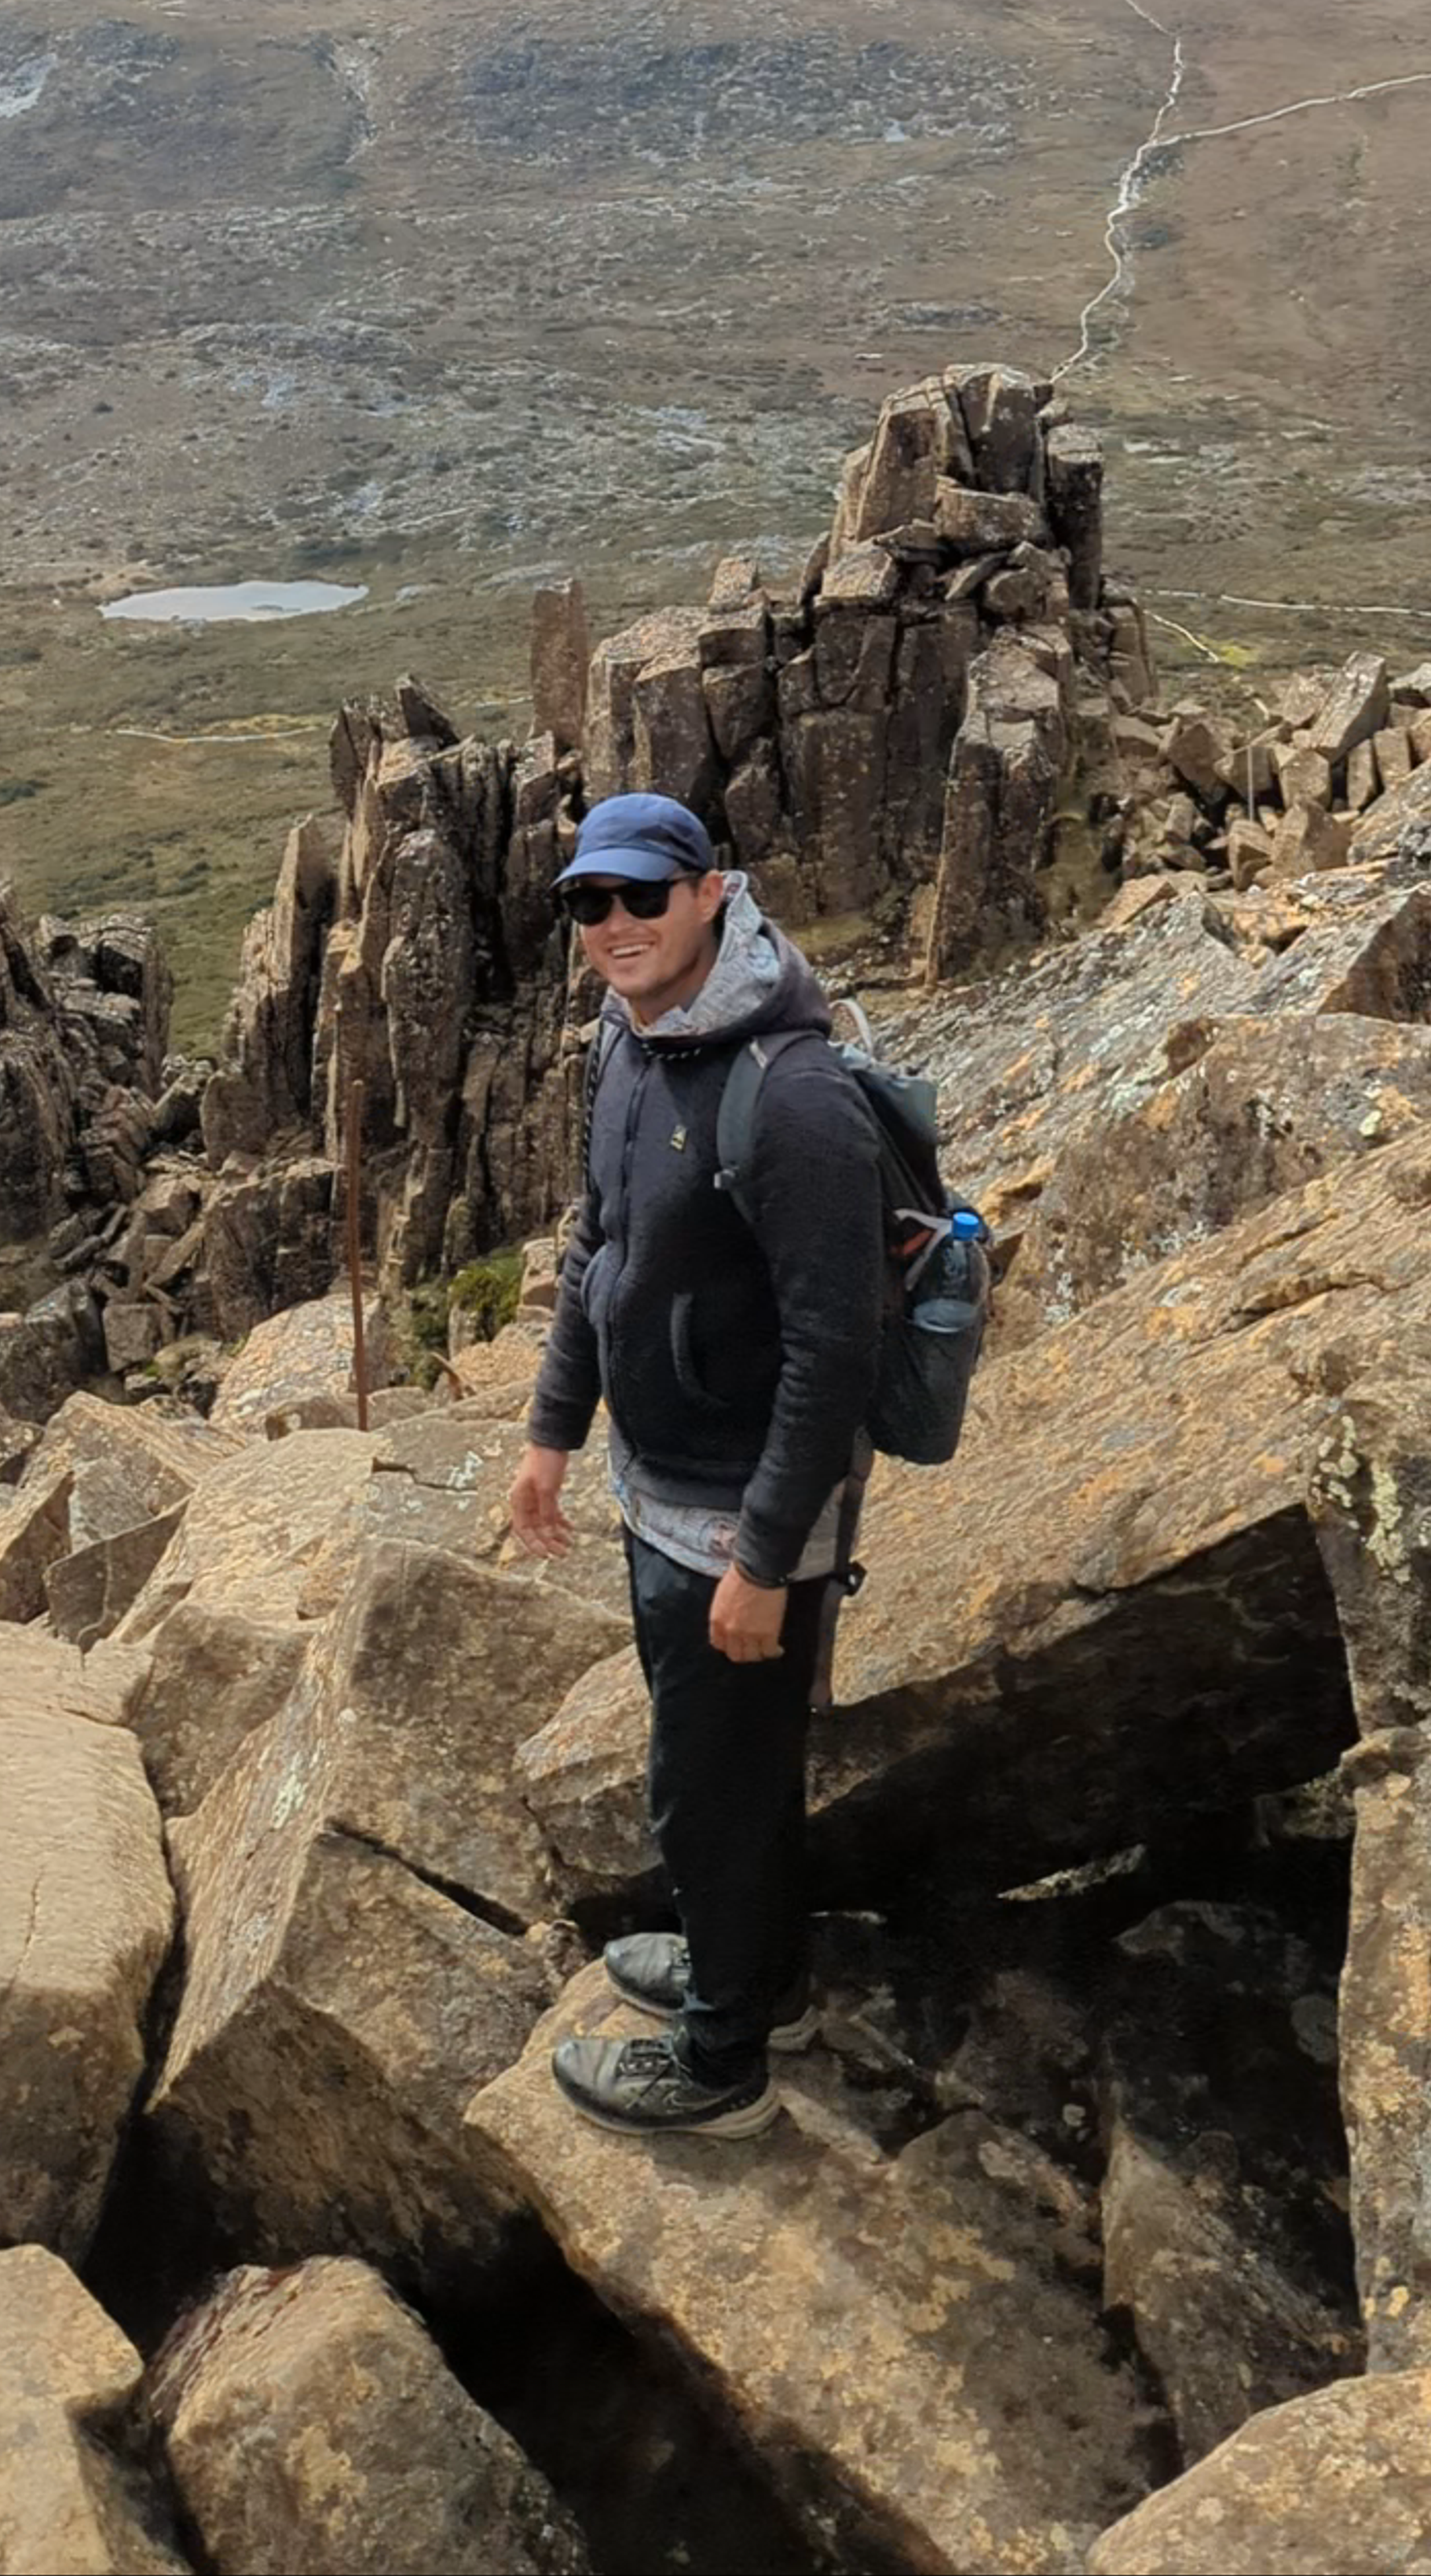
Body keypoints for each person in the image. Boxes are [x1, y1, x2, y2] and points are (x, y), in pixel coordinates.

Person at [508, 789, 884, 2138]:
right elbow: (598, 1251)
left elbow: (836, 1345)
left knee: (709, 1785)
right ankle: (755, 1972)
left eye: (641, 897)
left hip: (740, 1519)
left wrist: (767, 1554)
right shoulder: (630, 1040)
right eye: (587, 902)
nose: (613, 924)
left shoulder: (792, 1096)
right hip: (657, 1487)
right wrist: (555, 1433)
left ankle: (721, 2059)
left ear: (711, 890)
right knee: (713, 1764)